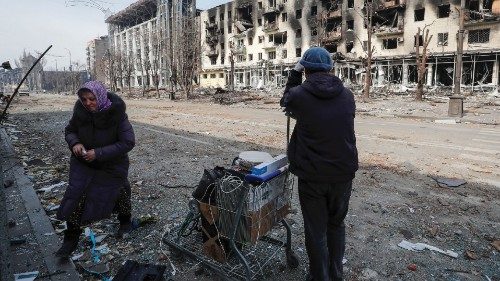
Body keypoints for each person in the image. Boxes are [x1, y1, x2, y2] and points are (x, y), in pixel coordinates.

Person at [280, 47, 358, 281]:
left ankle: (319, 277)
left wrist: (294, 73)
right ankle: (336, 275)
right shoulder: (348, 95)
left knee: (316, 232)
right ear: (331, 69)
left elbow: (286, 102)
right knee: (337, 224)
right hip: (343, 173)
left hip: (312, 176)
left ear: (306, 71)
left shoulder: (300, 95)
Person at [55, 81, 136, 258]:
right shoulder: (80, 112)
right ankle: (70, 238)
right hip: (84, 162)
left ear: (100, 97)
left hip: (111, 164)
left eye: (92, 99)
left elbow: (128, 142)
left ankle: (125, 222)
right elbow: (70, 131)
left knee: (120, 190)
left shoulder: (117, 114)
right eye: (84, 99)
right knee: (76, 194)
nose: (88, 103)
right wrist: (75, 143)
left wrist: (98, 153)